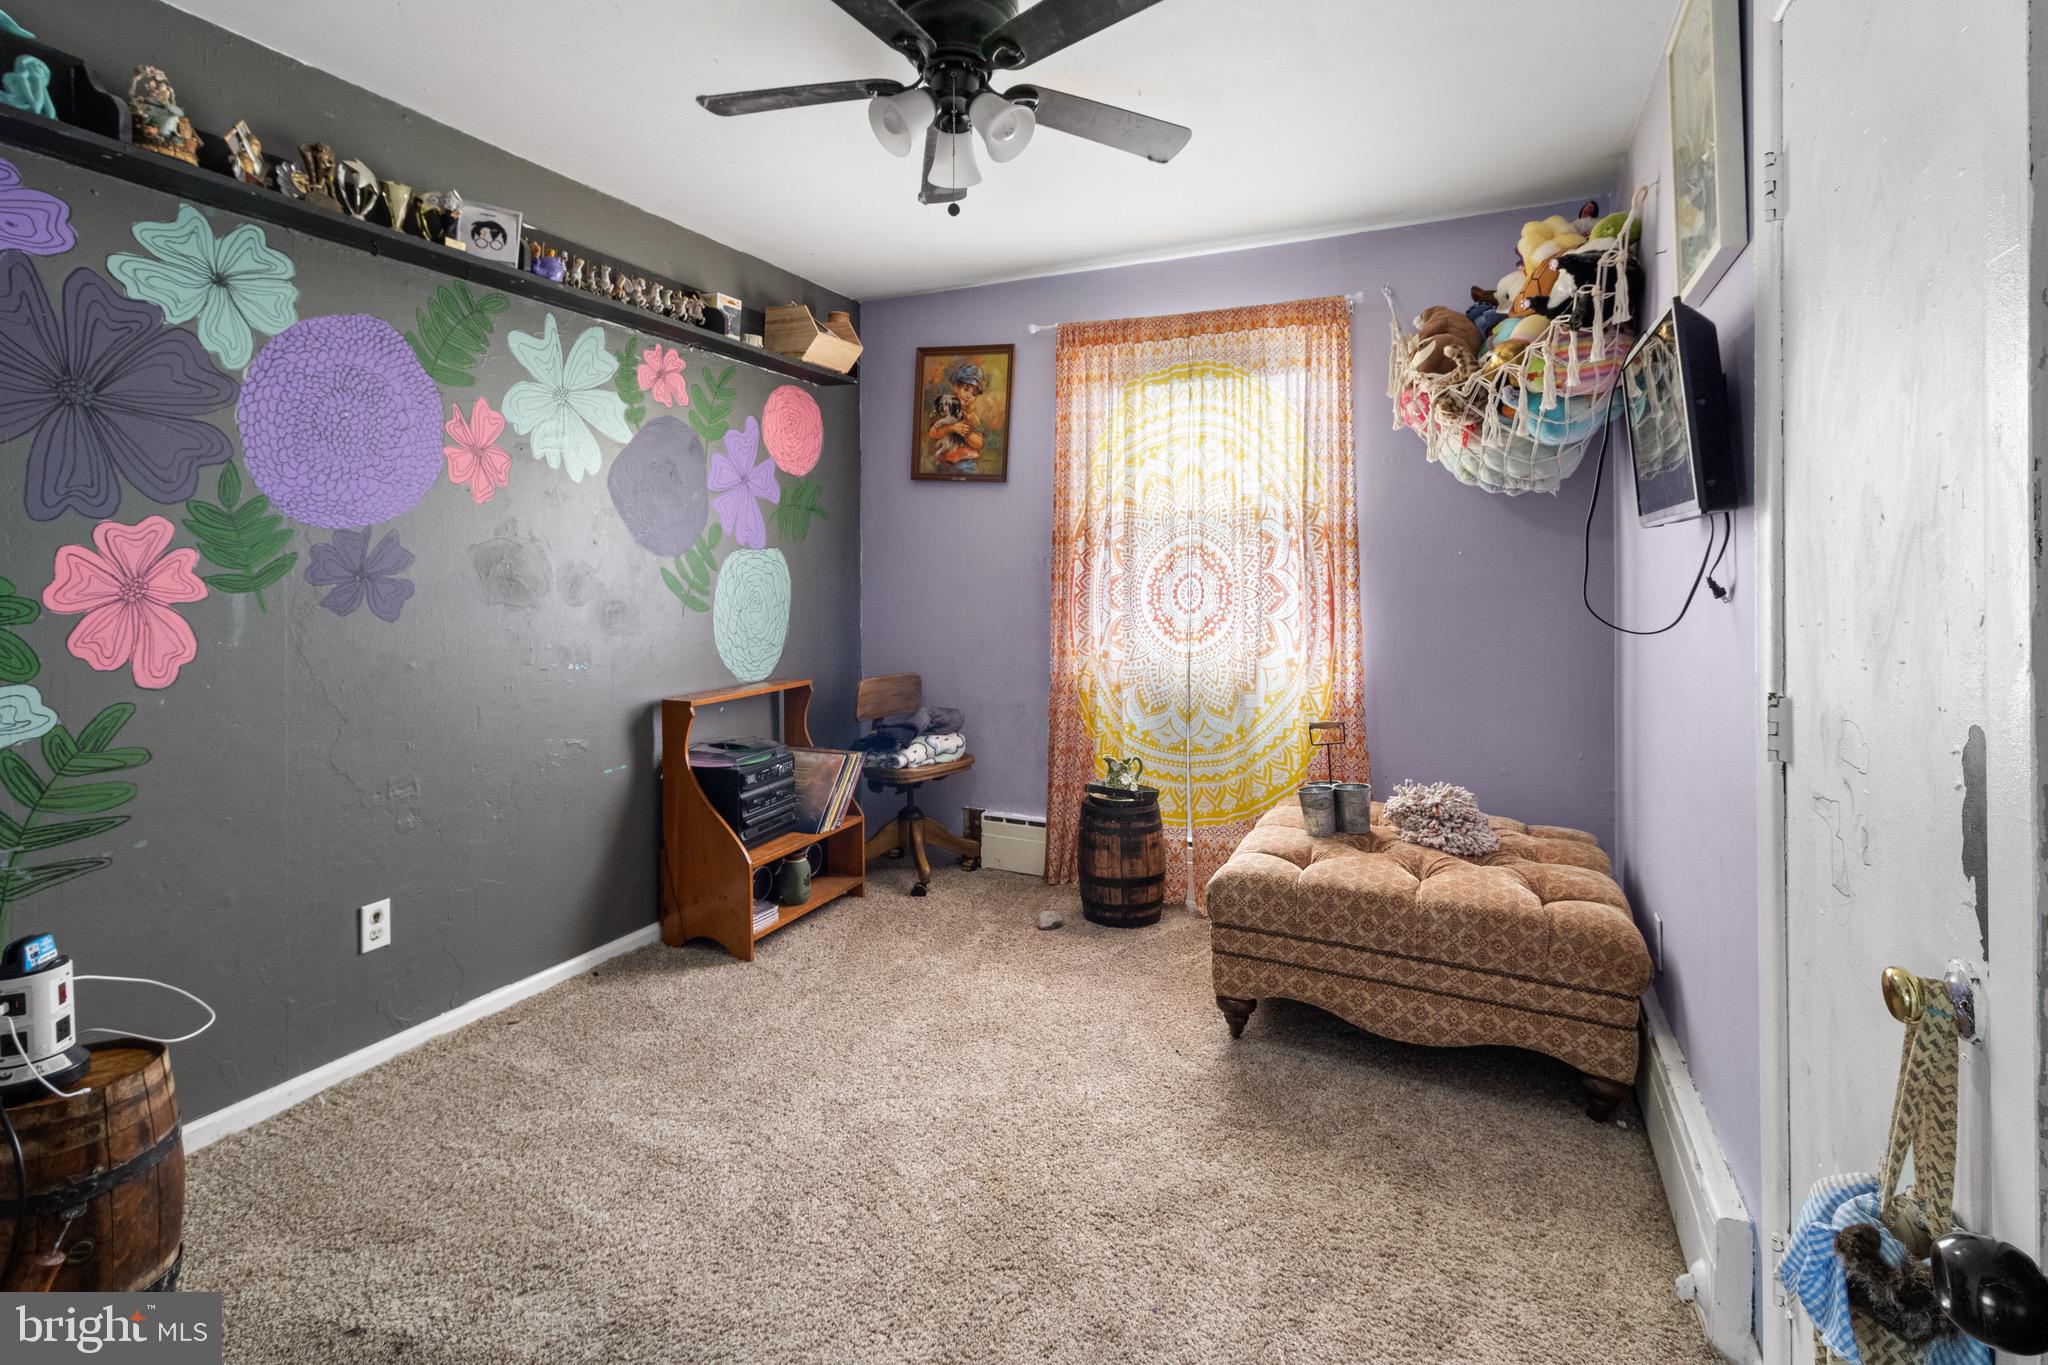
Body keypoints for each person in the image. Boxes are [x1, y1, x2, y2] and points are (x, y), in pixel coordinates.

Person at [926, 362, 988, 474]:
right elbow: (932, 433)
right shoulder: (944, 406)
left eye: (974, 394)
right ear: (956, 387)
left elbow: (979, 443)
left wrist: (966, 433)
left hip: (967, 463)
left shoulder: (972, 416)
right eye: (965, 389)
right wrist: (952, 428)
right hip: (945, 462)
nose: (968, 396)